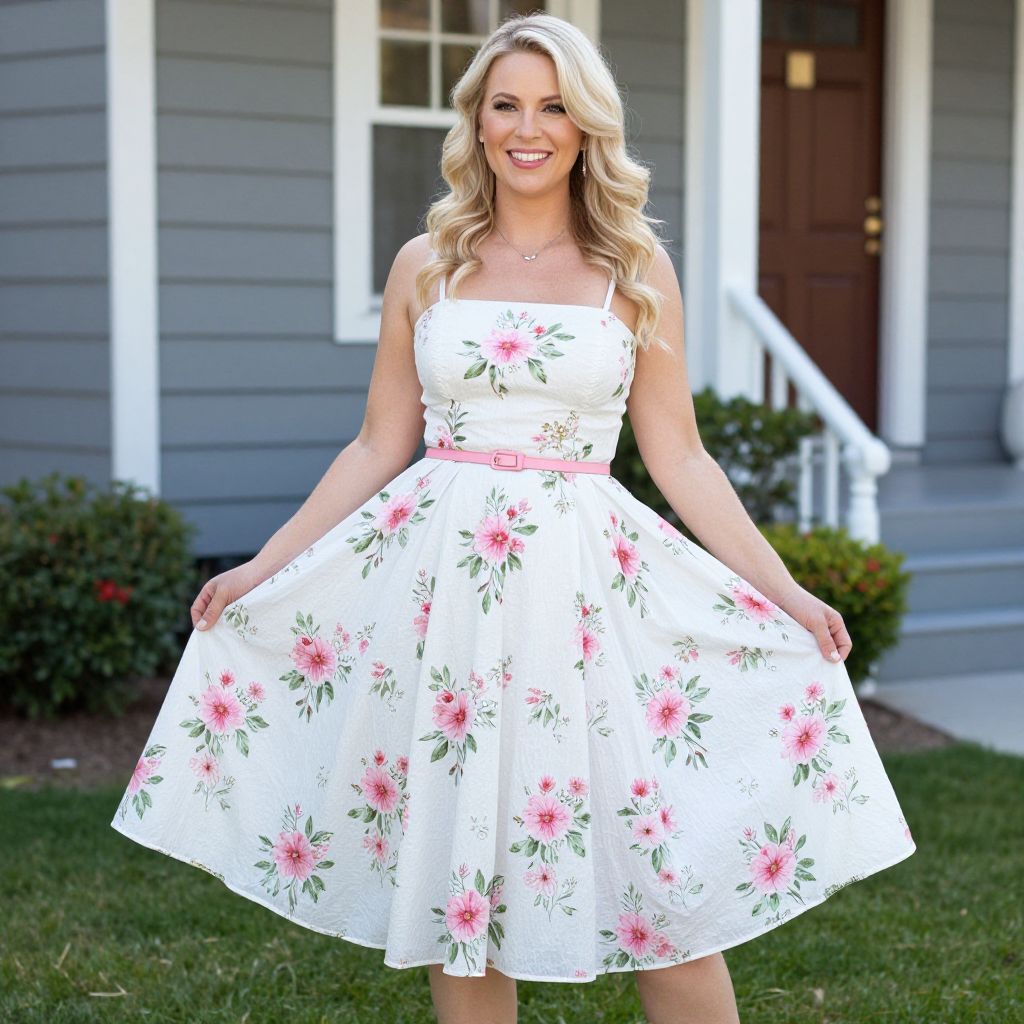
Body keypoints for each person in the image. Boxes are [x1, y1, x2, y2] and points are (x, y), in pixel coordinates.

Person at [111, 13, 916, 1024]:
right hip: (445, 594)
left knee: (652, 871)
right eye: (505, 105)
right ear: (477, 121)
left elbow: (679, 456)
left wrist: (787, 592)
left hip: (581, 597)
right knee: (466, 877)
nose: (526, 129)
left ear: (585, 128)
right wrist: (260, 567)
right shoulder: (426, 263)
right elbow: (375, 443)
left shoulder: (632, 270)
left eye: (552, 106)